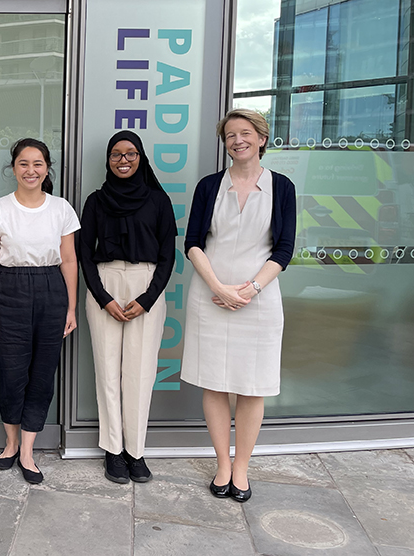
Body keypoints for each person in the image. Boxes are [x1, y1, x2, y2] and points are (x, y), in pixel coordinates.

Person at [181, 109, 296, 503]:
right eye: (230, 135)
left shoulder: (282, 187)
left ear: (262, 138)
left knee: (252, 386)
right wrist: (218, 286)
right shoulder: (209, 186)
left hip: (259, 301)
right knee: (214, 383)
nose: (237, 140)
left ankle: (242, 467)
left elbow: (284, 249)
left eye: (245, 133)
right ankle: (222, 464)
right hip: (210, 297)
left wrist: (249, 289)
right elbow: (192, 242)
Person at [78, 131, 176, 485]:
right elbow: (83, 254)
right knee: (107, 371)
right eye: (116, 154)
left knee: (140, 373)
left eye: (130, 154)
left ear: (141, 158)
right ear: (108, 159)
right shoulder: (95, 201)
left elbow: (168, 255)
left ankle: (136, 450)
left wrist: (147, 299)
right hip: (103, 285)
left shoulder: (158, 200)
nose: (123, 160)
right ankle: (113, 449)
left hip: (146, 286)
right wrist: (103, 297)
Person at [0, 138, 79, 484]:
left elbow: (69, 260)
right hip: (9, 291)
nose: (31, 170)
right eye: (24, 164)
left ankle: (27, 451)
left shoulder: (61, 208)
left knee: (41, 374)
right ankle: (9, 443)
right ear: (14, 168)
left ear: (47, 168)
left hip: (51, 290)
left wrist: (71, 307)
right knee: (9, 372)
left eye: (37, 164)